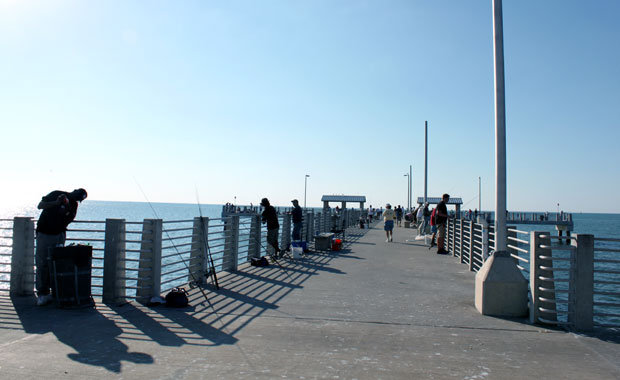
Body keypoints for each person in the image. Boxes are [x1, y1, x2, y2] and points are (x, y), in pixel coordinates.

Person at [35, 188, 88, 306]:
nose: (76, 199)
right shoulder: (56, 194)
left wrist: (66, 209)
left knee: (56, 264)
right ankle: (42, 293)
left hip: (59, 235)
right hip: (44, 233)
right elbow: (40, 205)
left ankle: (54, 292)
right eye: (77, 195)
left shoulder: (73, 205)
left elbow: (68, 219)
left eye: (79, 199)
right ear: (74, 191)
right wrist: (56, 203)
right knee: (42, 264)